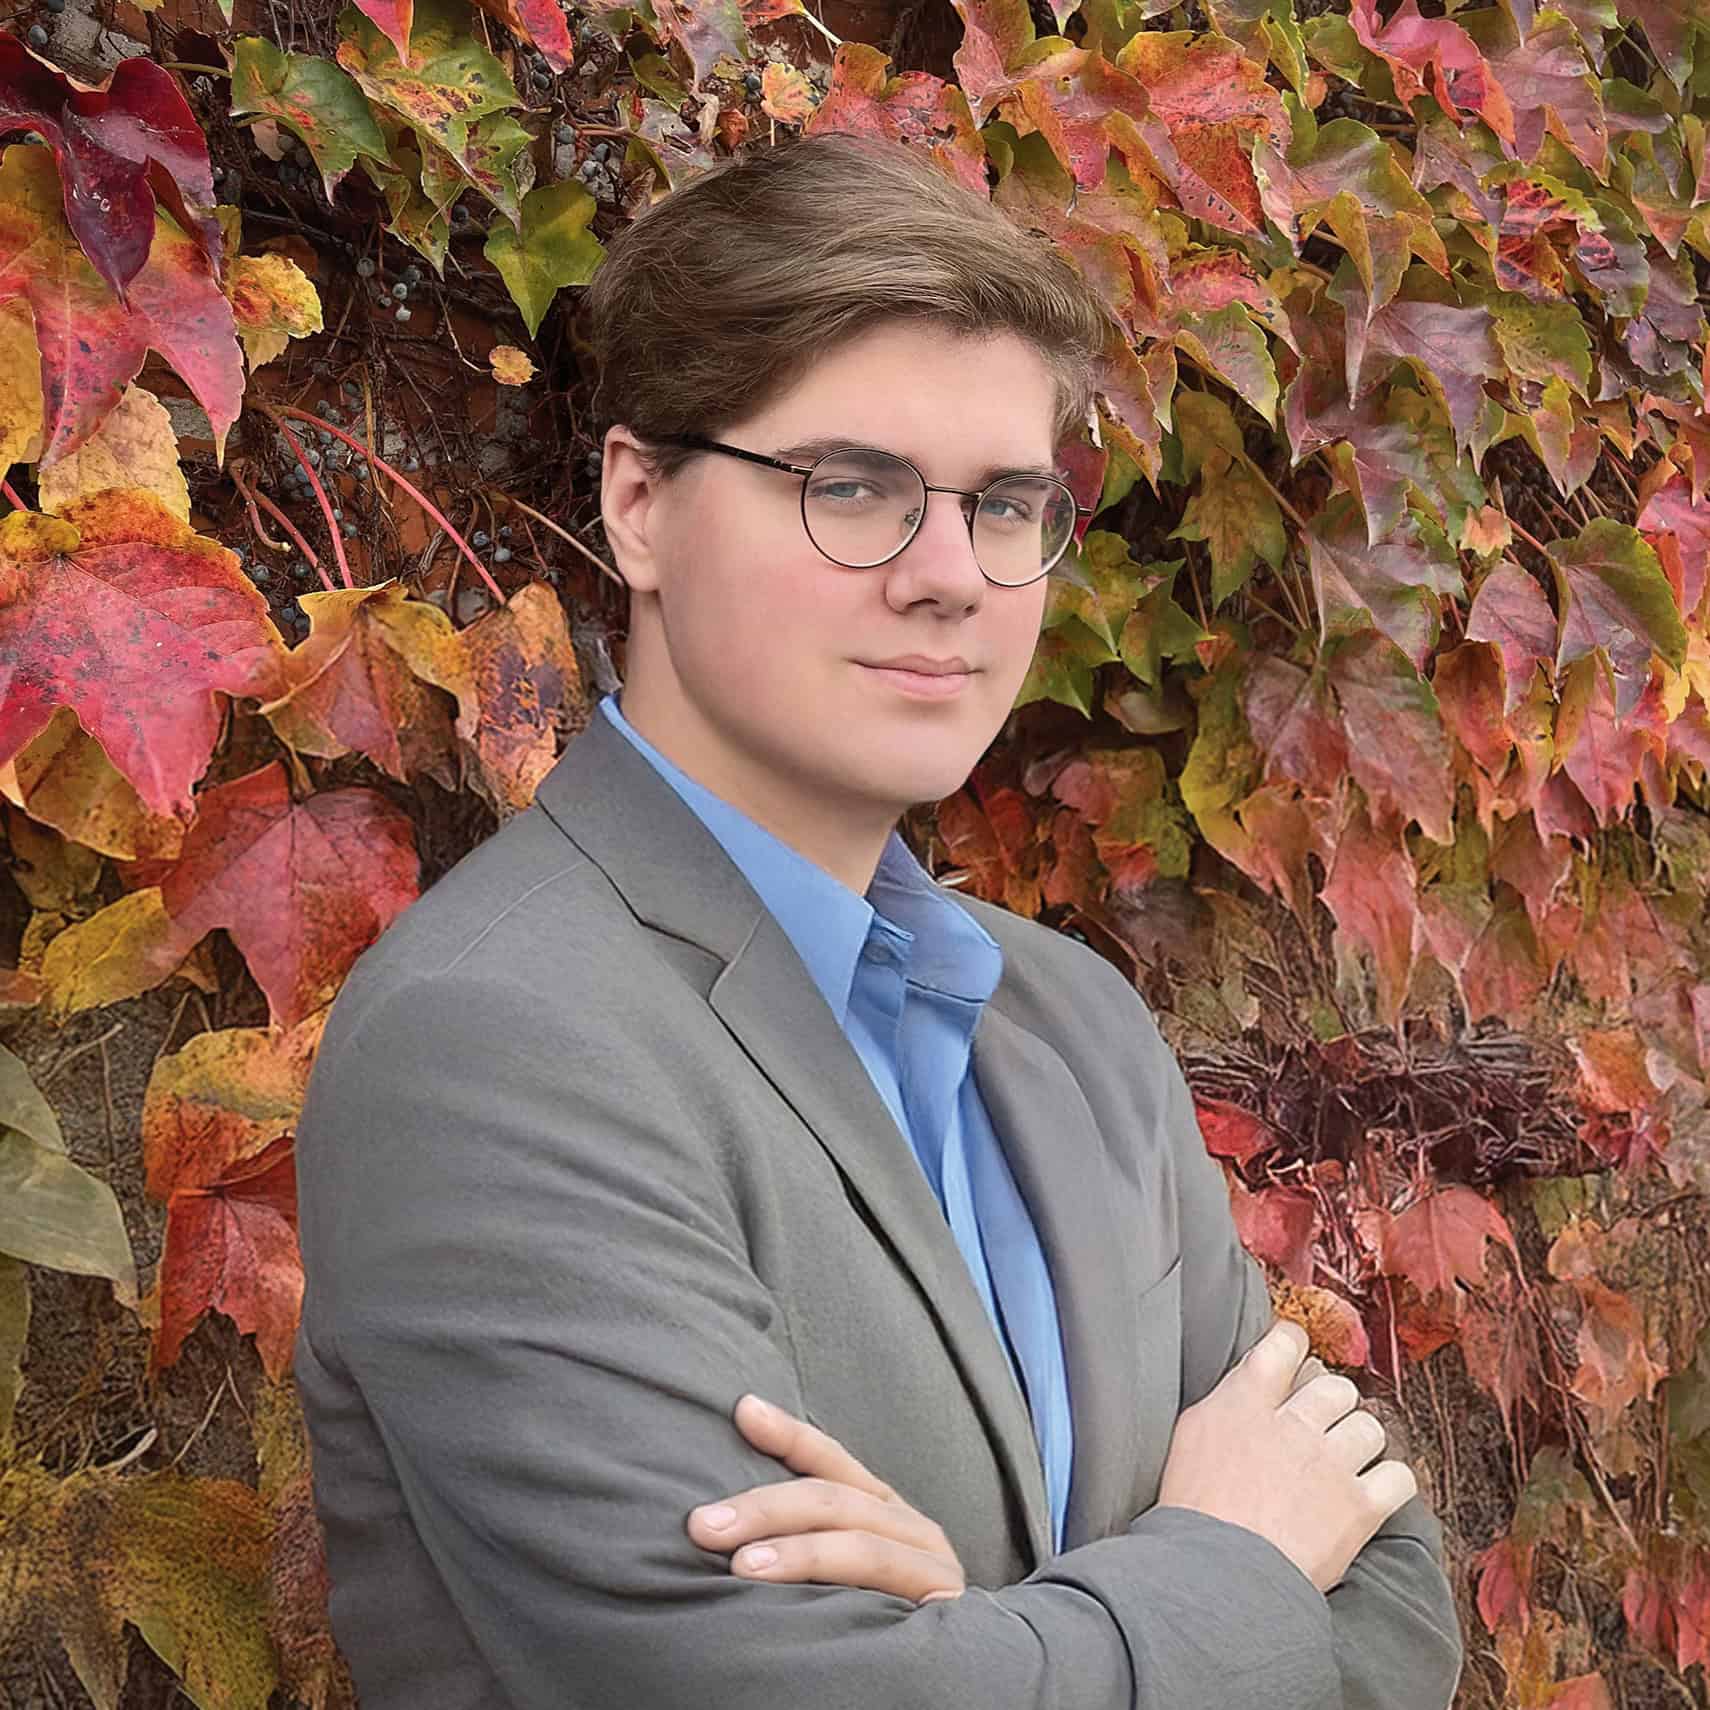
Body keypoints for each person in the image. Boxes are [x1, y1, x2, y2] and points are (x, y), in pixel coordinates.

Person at [292, 130, 1464, 1710]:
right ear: (638, 505)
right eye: (852, 488)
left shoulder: (1072, 1021)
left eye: (1005, 503)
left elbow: (1393, 1594)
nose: (951, 576)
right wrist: (1224, 1559)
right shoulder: (494, 1040)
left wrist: (977, 1636)